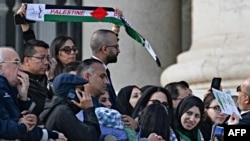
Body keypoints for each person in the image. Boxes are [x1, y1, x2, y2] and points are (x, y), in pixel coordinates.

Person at [0, 47, 67, 141]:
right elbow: (8, 128)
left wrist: (23, 98)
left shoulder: (12, 88)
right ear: (0, 68)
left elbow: (22, 122)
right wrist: (47, 134)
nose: (21, 68)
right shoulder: (2, 87)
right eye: (16, 63)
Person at [39, 73, 100, 141]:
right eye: (82, 89)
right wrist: (88, 110)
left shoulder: (55, 108)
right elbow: (90, 137)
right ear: (71, 94)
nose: (85, 94)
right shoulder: (62, 111)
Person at [21, 39, 54, 121]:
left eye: (48, 58)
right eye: (41, 58)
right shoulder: (19, 81)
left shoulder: (46, 77)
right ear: (27, 61)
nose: (46, 62)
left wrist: (51, 78)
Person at [90, 28, 121, 109]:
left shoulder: (104, 69)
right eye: (116, 47)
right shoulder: (91, 71)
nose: (118, 51)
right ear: (105, 49)